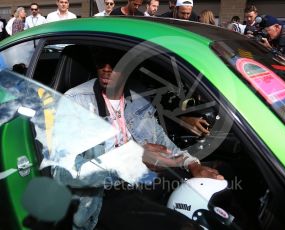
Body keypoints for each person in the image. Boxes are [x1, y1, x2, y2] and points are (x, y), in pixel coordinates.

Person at [53, 48, 222, 229]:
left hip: (145, 181)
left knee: (216, 189)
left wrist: (193, 165)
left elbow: (165, 144)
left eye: (115, 63)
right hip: (104, 194)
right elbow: (61, 172)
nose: (106, 68)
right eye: (101, 61)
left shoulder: (139, 100)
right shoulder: (75, 101)